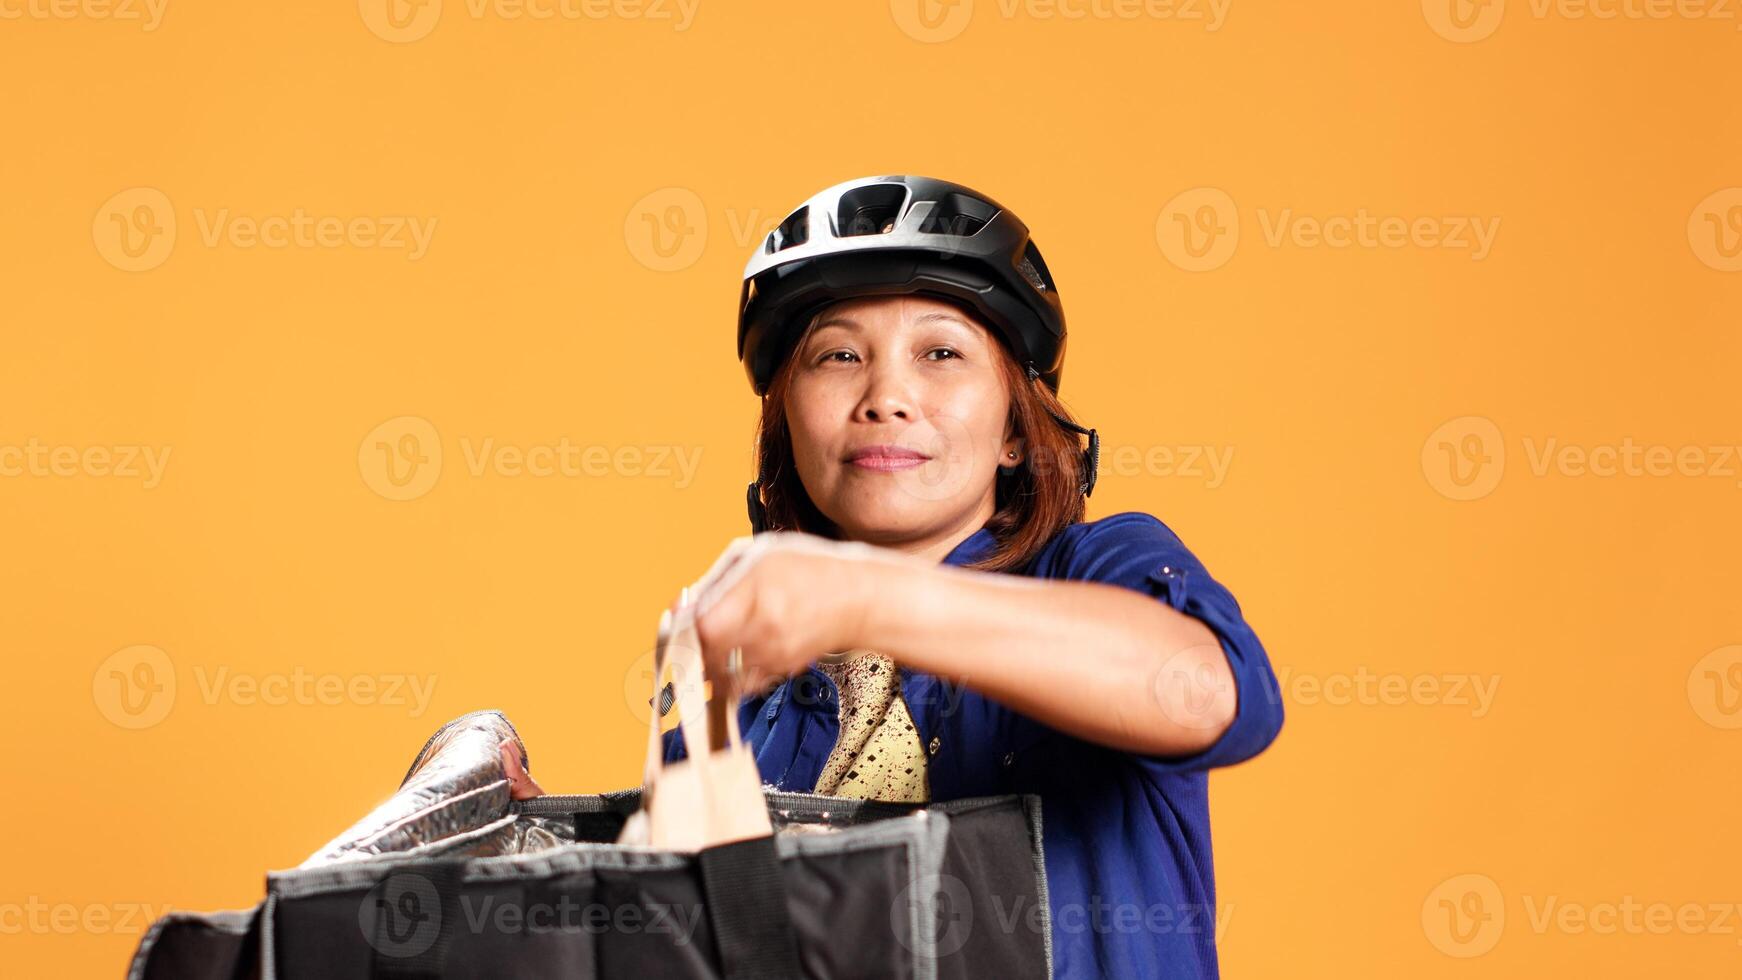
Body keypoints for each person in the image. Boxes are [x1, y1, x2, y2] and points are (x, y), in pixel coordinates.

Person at [509, 175, 1284, 978]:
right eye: (838, 355)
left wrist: (866, 597)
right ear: (786, 428)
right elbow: (706, 944)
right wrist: (547, 853)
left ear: (1017, 429)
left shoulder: (1097, 571)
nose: (885, 396)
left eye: (941, 353)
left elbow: (1205, 695)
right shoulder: (738, 686)